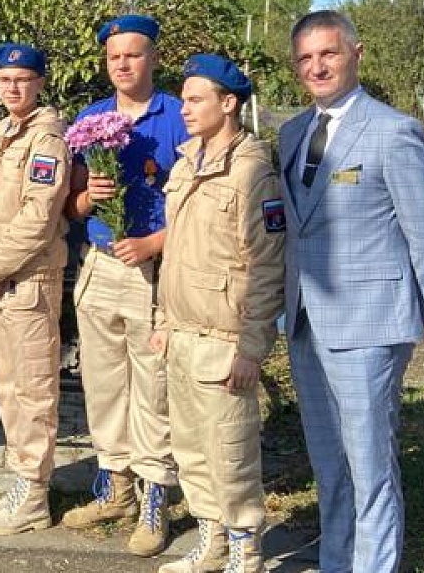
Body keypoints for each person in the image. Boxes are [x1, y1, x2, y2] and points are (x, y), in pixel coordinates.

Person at [278, 10, 424, 573]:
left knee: (370, 468)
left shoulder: (392, 131)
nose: (317, 66)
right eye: (305, 59)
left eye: (327, 53)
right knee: (329, 467)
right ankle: (337, 563)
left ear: (355, 53)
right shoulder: (291, 133)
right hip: (306, 323)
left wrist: (412, 319)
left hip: (371, 328)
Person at [152, 55, 285, 573]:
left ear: (229, 103)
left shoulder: (251, 170)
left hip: (224, 339)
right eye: (183, 99)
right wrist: (164, 322)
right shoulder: (187, 162)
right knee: (191, 451)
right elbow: (177, 255)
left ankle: (244, 551)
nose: (184, 109)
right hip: (183, 333)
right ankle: (210, 544)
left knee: (230, 455)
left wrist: (253, 347)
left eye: (195, 99)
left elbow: (267, 264)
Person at [61, 13, 187, 557]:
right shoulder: (90, 118)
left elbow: (200, 207)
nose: (122, 64)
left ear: (154, 58)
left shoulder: (179, 117)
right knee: (104, 383)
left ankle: (155, 495)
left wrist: (153, 244)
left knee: (152, 388)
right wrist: (91, 199)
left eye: (133, 54)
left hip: (154, 269)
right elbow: (69, 204)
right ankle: (116, 489)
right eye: (114, 56)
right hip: (101, 265)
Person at [0, 43, 72, 536]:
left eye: (23, 79)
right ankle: (22, 481)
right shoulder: (4, 135)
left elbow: (38, 217)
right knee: (7, 388)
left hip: (27, 281)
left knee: (32, 389)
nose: (12, 88)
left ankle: (33, 492)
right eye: (5, 80)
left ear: (40, 83)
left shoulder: (46, 139)